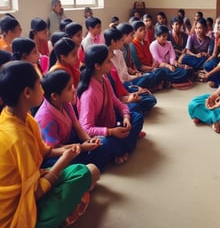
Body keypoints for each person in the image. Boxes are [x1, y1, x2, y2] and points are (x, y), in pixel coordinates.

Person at [0, 61, 99, 228]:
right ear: (27, 92)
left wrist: (73, 149)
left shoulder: (23, 117)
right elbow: (35, 194)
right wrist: (63, 161)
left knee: (89, 170)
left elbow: (44, 153)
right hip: (19, 212)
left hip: (36, 181)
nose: (43, 90)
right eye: (39, 84)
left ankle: (71, 203)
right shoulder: (17, 138)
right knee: (87, 174)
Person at [77, 44, 144, 165]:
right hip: (102, 134)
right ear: (97, 66)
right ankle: (123, 147)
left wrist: (126, 118)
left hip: (112, 124)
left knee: (137, 116)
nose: (111, 63)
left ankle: (121, 148)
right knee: (106, 144)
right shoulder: (89, 94)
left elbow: (117, 102)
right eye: (108, 61)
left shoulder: (104, 79)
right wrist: (111, 132)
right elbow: (86, 129)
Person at [35, 70, 111, 171]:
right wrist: (82, 147)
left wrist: (89, 140)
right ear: (54, 96)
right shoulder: (45, 118)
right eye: (69, 88)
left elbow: (78, 128)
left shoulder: (66, 103)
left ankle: (91, 166)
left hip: (72, 145)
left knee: (102, 143)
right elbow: (51, 151)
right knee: (76, 162)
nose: (74, 90)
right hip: (56, 155)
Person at [103, 27, 157, 114]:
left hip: (125, 86)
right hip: (119, 92)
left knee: (150, 98)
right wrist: (129, 96)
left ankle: (134, 107)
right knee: (139, 105)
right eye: (121, 40)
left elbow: (125, 76)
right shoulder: (105, 63)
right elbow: (115, 91)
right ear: (113, 42)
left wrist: (136, 83)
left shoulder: (119, 53)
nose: (123, 42)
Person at [115, 23, 166, 92]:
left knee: (160, 72)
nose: (144, 32)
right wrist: (137, 74)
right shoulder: (119, 50)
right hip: (128, 79)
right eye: (131, 35)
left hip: (134, 74)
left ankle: (150, 87)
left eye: (145, 30)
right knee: (149, 77)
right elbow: (125, 73)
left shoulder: (128, 46)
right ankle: (149, 87)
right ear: (124, 36)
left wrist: (135, 72)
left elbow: (131, 64)